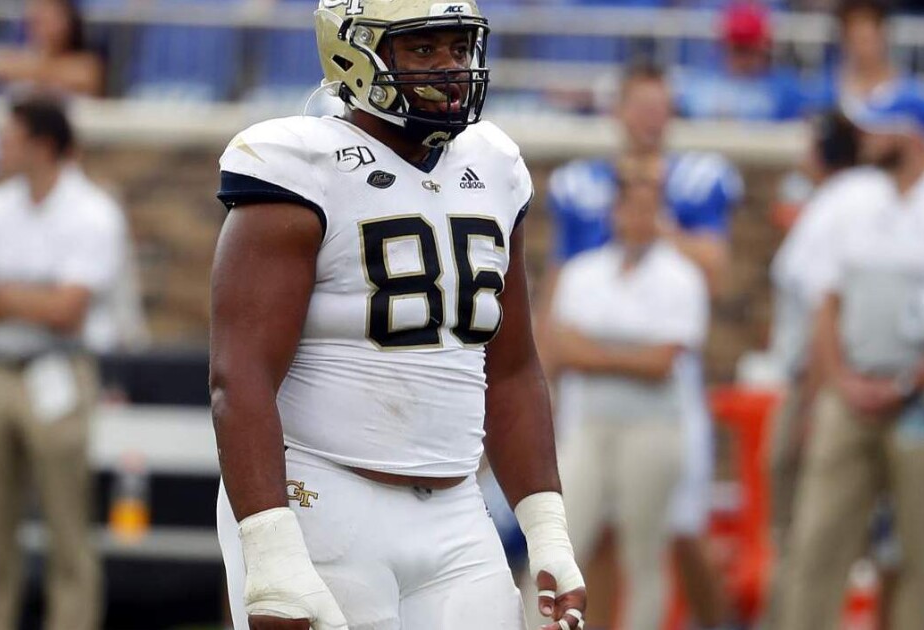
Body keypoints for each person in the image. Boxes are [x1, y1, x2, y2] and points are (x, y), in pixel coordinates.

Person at [210, 0, 587, 628]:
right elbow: (239, 376)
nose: (450, 67)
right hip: (323, 495)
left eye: (459, 49)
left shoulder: (493, 164)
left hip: (457, 508)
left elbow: (513, 367)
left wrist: (547, 532)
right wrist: (271, 549)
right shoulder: (299, 163)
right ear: (353, 53)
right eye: (423, 49)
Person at [781, 87, 924, 630]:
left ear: (913, 137)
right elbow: (824, 302)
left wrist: (908, 382)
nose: (866, 138)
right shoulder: (849, 198)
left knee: (915, 551)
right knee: (816, 542)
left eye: (879, 128)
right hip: (850, 393)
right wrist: (839, 382)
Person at [543, 60, 739, 630]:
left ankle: (715, 620)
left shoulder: (695, 182)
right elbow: (557, 288)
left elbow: (717, 272)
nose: (652, 119)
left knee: (677, 529)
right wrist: (547, 370)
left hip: (665, 402)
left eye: (661, 107)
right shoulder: (583, 188)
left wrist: (652, 220)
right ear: (620, 110)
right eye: (642, 106)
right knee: (591, 532)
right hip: (593, 403)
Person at [0, 97, 123, 630]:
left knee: (67, 526)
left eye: (11, 136)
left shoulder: (93, 211)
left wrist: (1, 295)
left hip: (59, 373)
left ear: (42, 146)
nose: (0, 146)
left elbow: (69, 311)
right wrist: (37, 298)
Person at [548, 158, 709, 630]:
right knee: (565, 543)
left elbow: (663, 363)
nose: (638, 218)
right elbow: (564, 349)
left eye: (648, 208)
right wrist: (631, 353)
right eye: (630, 207)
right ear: (614, 211)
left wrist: (597, 351)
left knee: (645, 551)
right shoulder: (583, 273)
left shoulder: (681, 277)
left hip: (653, 428)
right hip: (589, 425)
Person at [760, 110, 862, 628]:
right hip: (810, 381)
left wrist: (812, 404)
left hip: (814, 384)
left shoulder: (837, 210)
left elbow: (830, 314)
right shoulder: (840, 206)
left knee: (803, 529)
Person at [675, 1, 804, 122]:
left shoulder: (784, 91)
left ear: (764, 48)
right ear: (724, 46)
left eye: (750, 49)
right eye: (738, 49)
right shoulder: (698, 86)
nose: (744, 58)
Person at [0, 0, 103, 97]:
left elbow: (84, 77)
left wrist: (16, 70)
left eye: (49, 17)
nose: (41, 24)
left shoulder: (87, 63)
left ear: (69, 21)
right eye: (37, 18)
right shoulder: (14, 55)